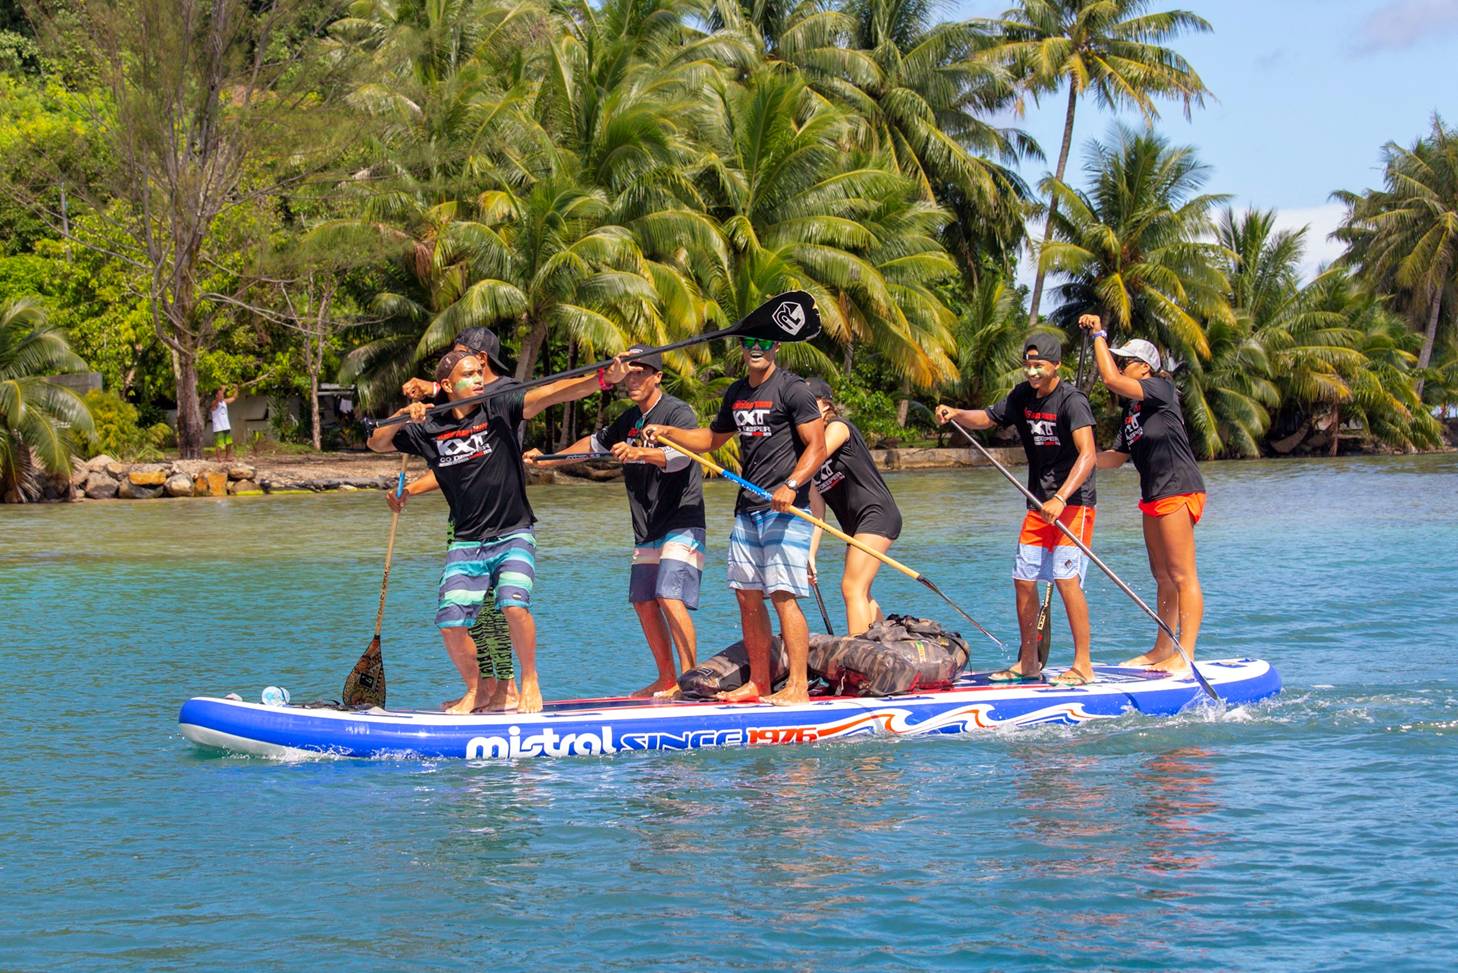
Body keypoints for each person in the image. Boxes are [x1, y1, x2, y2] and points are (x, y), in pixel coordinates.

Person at [370, 341, 629, 714]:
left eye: (480, 372)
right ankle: (476, 690)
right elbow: (377, 441)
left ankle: (530, 682)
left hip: (513, 532)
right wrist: (401, 416)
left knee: (512, 605)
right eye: (469, 375)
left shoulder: (498, 405)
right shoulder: (429, 426)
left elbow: (550, 394)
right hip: (467, 539)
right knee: (450, 622)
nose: (479, 379)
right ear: (446, 385)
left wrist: (603, 379)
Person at [643, 336, 826, 705]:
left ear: (775, 348)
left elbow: (817, 446)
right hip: (748, 508)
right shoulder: (737, 393)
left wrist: (791, 485)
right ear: (742, 349)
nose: (755, 348)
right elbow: (711, 438)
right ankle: (759, 682)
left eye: (763, 342)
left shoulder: (792, 389)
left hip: (785, 509)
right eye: (748, 343)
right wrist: (669, 432)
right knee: (747, 597)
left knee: (783, 596)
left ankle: (799, 686)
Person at [527, 345, 705, 697]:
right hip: (646, 528)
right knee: (643, 600)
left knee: (669, 595)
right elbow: (593, 445)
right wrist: (548, 460)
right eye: (629, 373)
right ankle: (667, 678)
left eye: (641, 372)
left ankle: (690, 681)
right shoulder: (628, 420)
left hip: (682, 521)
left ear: (657, 377)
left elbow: (681, 458)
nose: (632, 379)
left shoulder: (677, 412)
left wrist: (641, 452)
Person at [935, 333, 1099, 686]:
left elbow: (1088, 455)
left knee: (1067, 581)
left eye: (1039, 365)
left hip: (1074, 504)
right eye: (1028, 365)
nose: (1032, 372)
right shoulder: (1022, 396)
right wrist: (957, 413)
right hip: (1038, 504)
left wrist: (1062, 496)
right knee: (1023, 580)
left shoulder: (1073, 401)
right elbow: (989, 417)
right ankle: (1028, 662)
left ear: (1056, 365)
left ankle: (1083, 664)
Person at [391, 328, 519, 707]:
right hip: (464, 521)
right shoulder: (458, 409)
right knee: (470, 611)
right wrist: (410, 489)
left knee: (495, 608)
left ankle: (505, 688)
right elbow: (450, 463)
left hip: (501, 520)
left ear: (482, 360)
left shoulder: (500, 397)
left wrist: (433, 389)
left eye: (464, 356)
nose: (459, 363)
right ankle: (488, 687)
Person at [1079, 314, 1207, 673]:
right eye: (1119, 359)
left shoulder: (1161, 391)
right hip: (1152, 494)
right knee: (1162, 576)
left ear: (1146, 367)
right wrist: (1081, 458)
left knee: (1182, 575)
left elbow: (1109, 379)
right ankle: (1162, 647)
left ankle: (1186, 654)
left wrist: (1098, 336)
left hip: (1178, 488)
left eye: (1126, 361)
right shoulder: (1132, 413)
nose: (1120, 365)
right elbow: (1116, 459)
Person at [803, 377, 903, 635]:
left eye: (806, 403)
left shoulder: (837, 428)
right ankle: (888, 646)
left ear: (825, 405)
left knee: (852, 587)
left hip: (877, 515)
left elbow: (817, 455)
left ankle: (858, 661)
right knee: (862, 590)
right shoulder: (808, 454)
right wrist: (810, 555)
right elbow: (817, 514)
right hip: (856, 526)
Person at [210, 387, 238, 460]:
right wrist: (223, 389)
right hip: (218, 427)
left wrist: (236, 389)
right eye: (220, 394)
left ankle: (227, 457)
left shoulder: (224, 402)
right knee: (220, 444)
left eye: (223, 394)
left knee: (229, 443)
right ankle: (219, 459)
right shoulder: (214, 403)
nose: (222, 395)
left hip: (226, 426)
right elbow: (217, 400)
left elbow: (234, 398)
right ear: (216, 395)